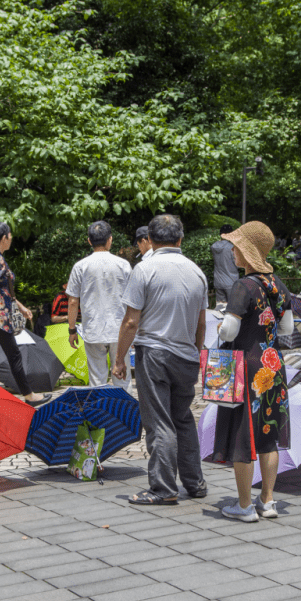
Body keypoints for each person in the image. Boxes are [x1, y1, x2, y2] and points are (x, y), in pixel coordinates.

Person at [112, 214, 207, 505]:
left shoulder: (144, 269)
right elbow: (201, 323)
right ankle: (195, 483)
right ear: (180, 239)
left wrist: (119, 360)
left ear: (150, 240)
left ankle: (163, 488)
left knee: (160, 422)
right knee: (182, 418)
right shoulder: (197, 271)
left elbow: (131, 321)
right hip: (187, 356)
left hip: (154, 354)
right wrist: (196, 353)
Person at [210, 222, 294, 522]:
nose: (232, 251)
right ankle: (267, 500)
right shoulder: (277, 283)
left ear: (247, 251)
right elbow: (287, 327)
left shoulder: (243, 286)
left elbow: (230, 331)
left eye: (236, 246)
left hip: (246, 365)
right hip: (272, 363)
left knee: (242, 433)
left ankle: (244, 505)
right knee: (269, 432)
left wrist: (220, 324)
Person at [0, 222, 50, 405]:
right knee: (14, 355)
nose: (12, 237)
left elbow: (2, 290)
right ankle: (29, 395)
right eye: (10, 235)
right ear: (4, 238)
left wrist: (20, 306)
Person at [66, 221, 132, 386]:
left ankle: (99, 410)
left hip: (93, 328)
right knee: (122, 377)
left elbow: (73, 301)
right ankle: (123, 410)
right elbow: (133, 299)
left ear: (89, 241)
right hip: (120, 329)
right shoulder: (123, 265)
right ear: (110, 240)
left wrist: (72, 329)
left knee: (96, 378)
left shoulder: (80, 266)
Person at [210, 224, 240, 304]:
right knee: (232, 309)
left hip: (218, 281)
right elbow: (237, 264)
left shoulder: (214, 247)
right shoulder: (232, 248)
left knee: (220, 309)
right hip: (231, 282)